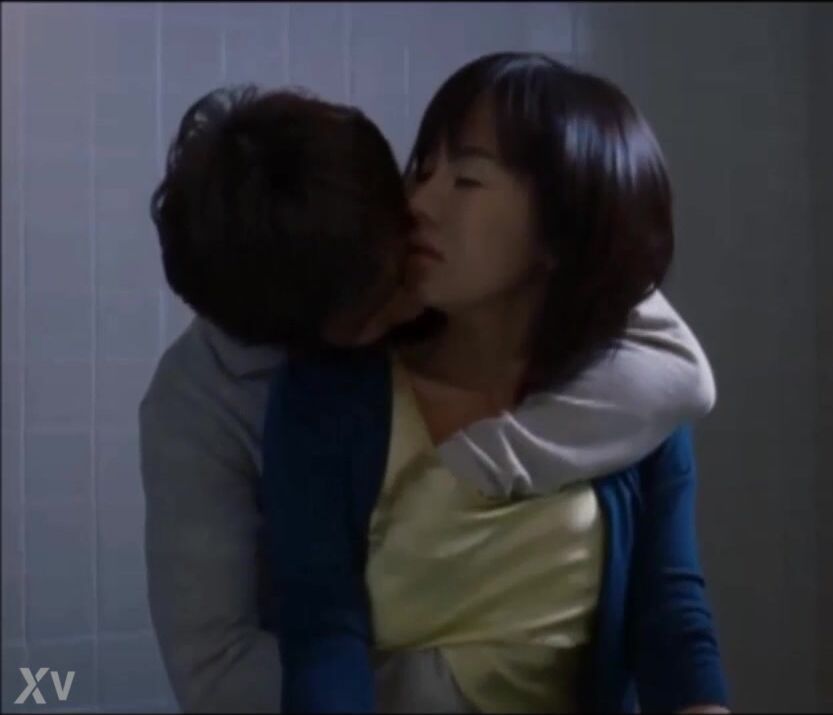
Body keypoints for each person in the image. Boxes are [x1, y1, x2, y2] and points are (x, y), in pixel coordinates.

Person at [140, 82, 718, 711]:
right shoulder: (253, 401)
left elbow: (672, 611)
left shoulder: (621, 373)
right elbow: (238, 662)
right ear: (306, 339)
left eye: (454, 178)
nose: (415, 281)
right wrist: (479, 677)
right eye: (380, 303)